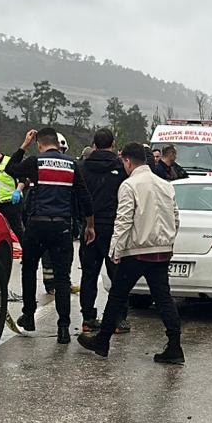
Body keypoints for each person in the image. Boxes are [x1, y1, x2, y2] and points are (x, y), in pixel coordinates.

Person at [78, 142, 184, 364]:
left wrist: (115, 248)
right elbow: (175, 218)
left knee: (117, 295)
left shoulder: (129, 185)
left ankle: (102, 341)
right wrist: (169, 243)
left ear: (127, 161)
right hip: (161, 250)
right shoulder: (165, 185)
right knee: (164, 298)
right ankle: (174, 345)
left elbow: (124, 219)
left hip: (136, 250)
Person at [8, 127, 94, 343]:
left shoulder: (35, 161)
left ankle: (28, 315)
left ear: (39, 144)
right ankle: (63, 328)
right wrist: (89, 225)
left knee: (29, 269)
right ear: (57, 142)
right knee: (63, 277)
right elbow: (85, 198)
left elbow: (11, 169)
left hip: (37, 225)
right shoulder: (71, 164)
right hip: (62, 227)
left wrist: (23, 145)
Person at [77, 128, 129, 335]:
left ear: (94, 145)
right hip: (114, 227)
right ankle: (117, 319)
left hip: (89, 226)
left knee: (89, 274)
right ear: (114, 144)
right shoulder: (121, 168)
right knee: (117, 274)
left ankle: (88, 319)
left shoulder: (81, 167)